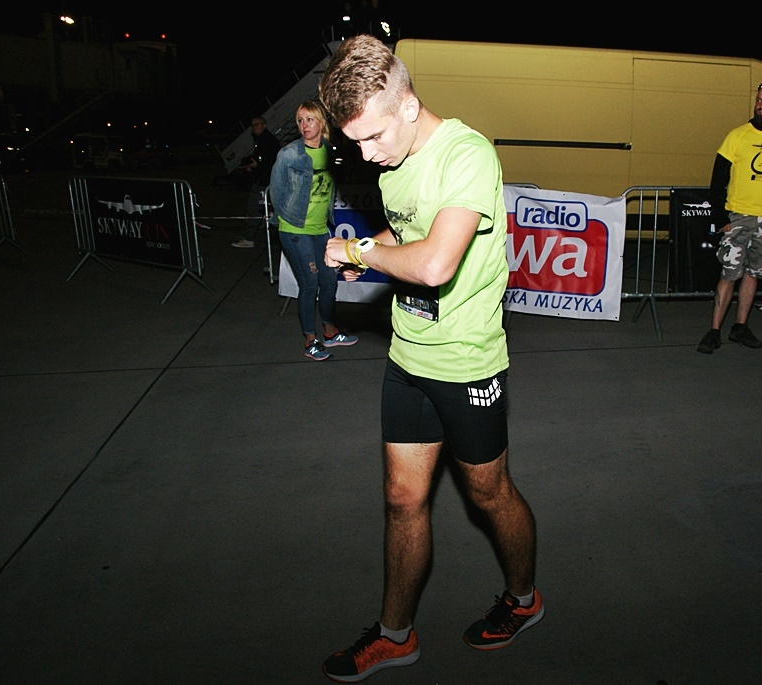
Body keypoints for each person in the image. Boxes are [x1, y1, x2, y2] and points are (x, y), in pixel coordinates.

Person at [316, 35, 542, 682]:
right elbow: (410, 228)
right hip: (408, 356)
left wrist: (358, 253)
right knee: (401, 498)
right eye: (354, 143)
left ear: (409, 106)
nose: (366, 155)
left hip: (468, 364)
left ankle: (523, 599)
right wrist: (373, 241)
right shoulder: (393, 159)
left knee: (488, 493)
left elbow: (437, 262)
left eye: (373, 136)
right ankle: (395, 634)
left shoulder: (468, 154)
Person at [697, 81, 762, 354]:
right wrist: (721, 216)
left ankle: (740, 327)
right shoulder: (737, 135)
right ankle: (714, 330)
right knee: (729, 273)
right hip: (737, 217)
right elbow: (718, 179)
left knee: (754, 274)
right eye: (759, 100)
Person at [269, 100, 358, 361]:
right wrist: (288, 218)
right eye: (300, 120)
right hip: (295, 229)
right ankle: (310, 341)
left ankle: (330, 332)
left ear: (321, 122)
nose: (304, 125)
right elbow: (276, 191)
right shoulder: (289, 154)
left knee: (329, 280)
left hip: (320, 229)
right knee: (309, 283)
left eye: (309, 119)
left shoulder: (329, 151)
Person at [231, 116, 281, 249]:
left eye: (257, 124)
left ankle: (249, 238)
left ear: (264, 125)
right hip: (261, 180)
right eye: (252, 125)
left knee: (254, 208)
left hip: (265, 181)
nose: (254, 127)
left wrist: (257, 165)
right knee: (260, 209)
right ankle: (254, 235)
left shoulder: (268, 141)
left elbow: (270, 161)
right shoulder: (261, 140)